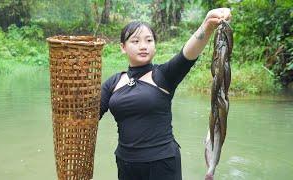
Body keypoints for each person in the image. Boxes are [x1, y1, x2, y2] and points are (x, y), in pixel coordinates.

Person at [99, 8, 232, 180]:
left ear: (155, 45)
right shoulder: (113, 82)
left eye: (149, 40)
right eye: (135, 41)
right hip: (126, 163)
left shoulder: (163, 75)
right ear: (123, 47)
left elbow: (187, 55)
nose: (143, 46)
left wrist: (206, 26)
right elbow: (90, 115)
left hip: (162, 163)